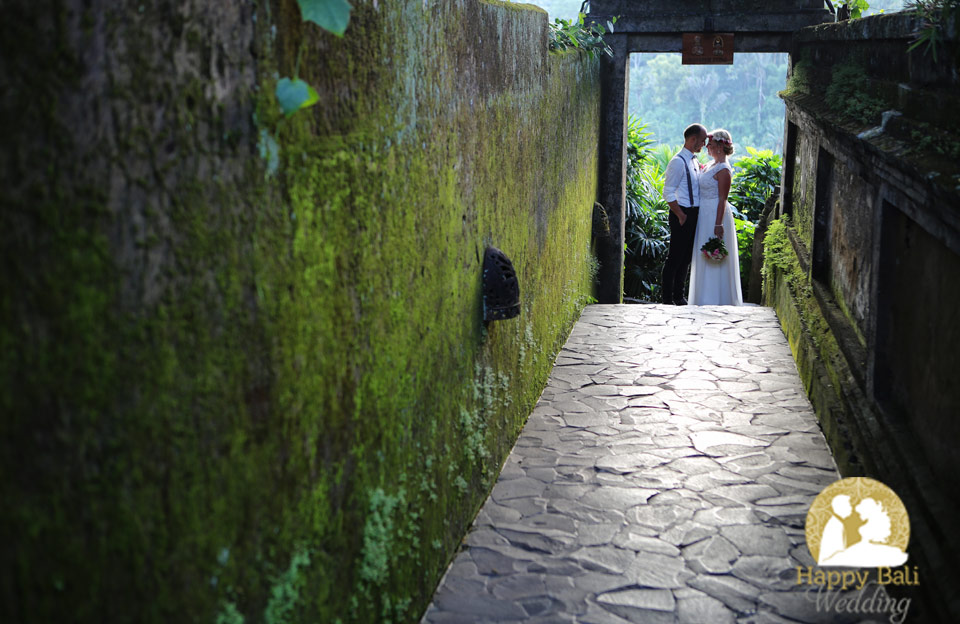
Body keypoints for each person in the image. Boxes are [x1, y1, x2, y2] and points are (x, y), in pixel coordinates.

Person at [688, 128, 743, 306]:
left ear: (719, 146)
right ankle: (701, 296)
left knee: (713, 253)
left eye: (710, 144)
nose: (707, 148)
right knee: (702, 253)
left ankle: (716, 298)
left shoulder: (724, 170)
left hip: (715, 214)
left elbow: (723, 198)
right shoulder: (711, 165)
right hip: (704, 214)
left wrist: (718, 224)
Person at [661, 123, 707, 305]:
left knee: (687, 257)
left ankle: (679, 296)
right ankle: (667, 298)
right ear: (693, 139)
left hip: (694, 213)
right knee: (675, 257)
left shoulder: (694, 161)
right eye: (702, 141)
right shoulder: (677, 162)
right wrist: (680, 215)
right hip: (682, 213)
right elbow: (668, 192)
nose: (703, 144)